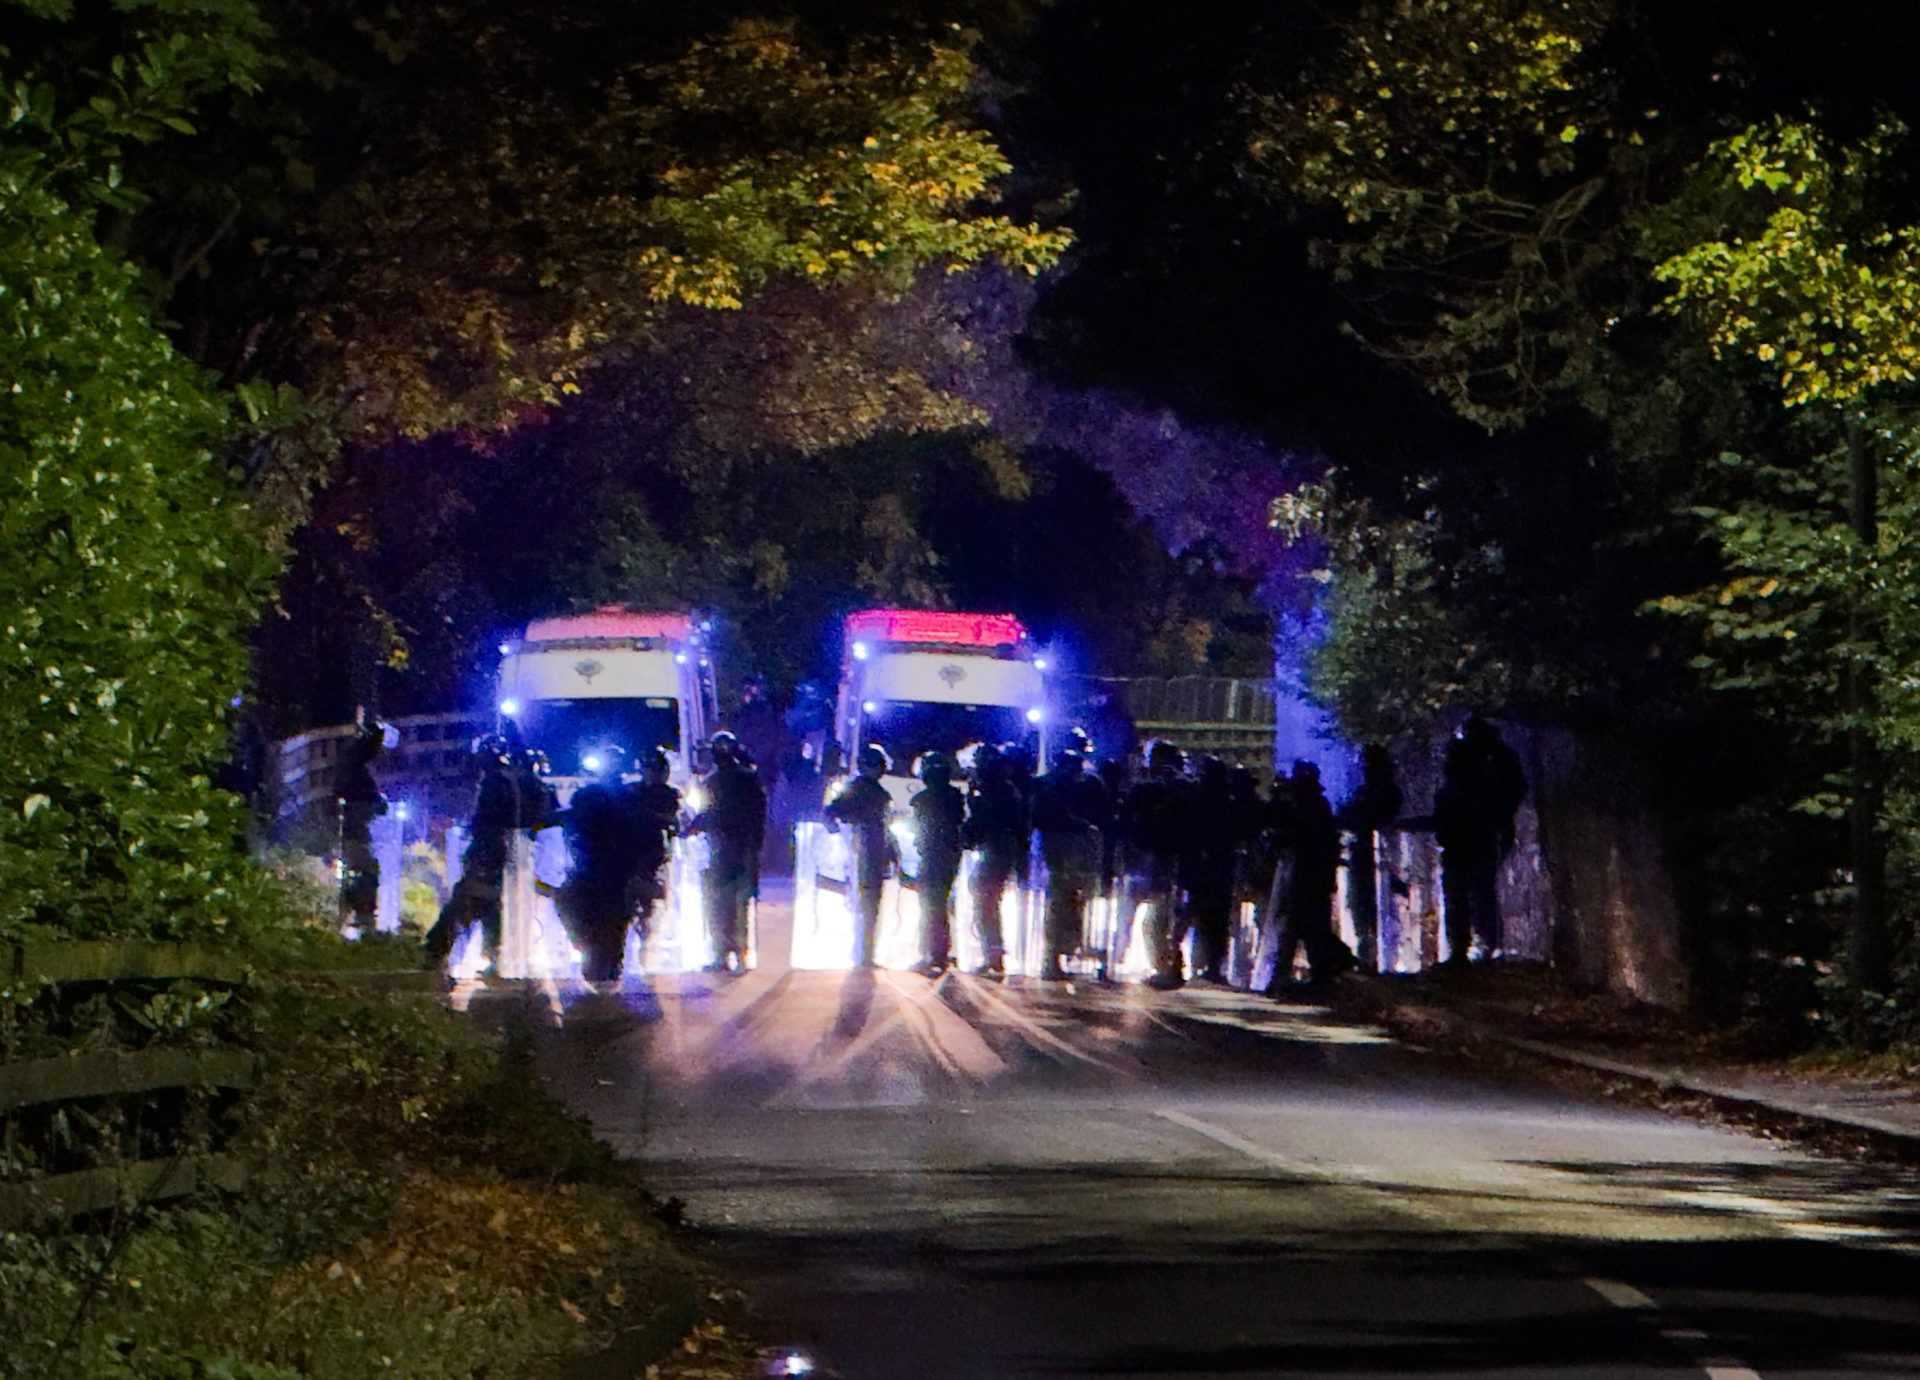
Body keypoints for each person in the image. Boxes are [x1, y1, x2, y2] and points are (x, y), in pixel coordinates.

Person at [425, 732, 554, 967]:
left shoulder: (495, 782)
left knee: (468, 898)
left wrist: (479, 846)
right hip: (500, 851)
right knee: (489, 903)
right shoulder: (508, 780)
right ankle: (494, 953)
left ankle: (435, 951)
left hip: (489, 851)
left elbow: (489, 820)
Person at [1432, 717, 1527, 965]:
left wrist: (1498, 817)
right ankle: (1466, 949)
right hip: (1468, 837)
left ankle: (1483, 945)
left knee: (1477, 889)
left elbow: (1513, 792)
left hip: (1481, 835)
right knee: (1465, 892)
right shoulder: (1473, 767)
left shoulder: (1495, 762)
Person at [556, 747, 641, 982]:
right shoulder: (627, 795)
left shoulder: (617, 796)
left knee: (605, 914)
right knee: (612, 916)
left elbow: (572, 826)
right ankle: (606, 962)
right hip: (608, 868)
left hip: (606, 867)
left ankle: (606, 962)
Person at [1266, 760, 1353, 987]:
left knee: (1306, 926)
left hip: (1311, 877)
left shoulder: (1314, 809)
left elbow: (1305, 837)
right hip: (1307, 876)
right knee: (1302, 926)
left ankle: (1324, 969)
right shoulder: (1309, 808)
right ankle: (1290, 975)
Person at [689, 730, 766, 973]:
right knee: (736, 903)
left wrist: (690, 829)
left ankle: (725, 954)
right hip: (738, 850)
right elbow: (760, 816)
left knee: (723, 904)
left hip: (726, 850)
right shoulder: (747, 778)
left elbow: (708, 815)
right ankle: (735, 955)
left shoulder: (714, 781)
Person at [1031, 743, 1105, 979]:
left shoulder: (1053, 784)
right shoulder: (1054, 786)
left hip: (1065, 852)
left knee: (1066, 903)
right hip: (1062, 851)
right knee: (1063, 903)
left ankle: (1059, 954)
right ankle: (1054, 957)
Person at [1120, 740, 1190, 987]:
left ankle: (1166, 967)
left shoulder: (1152, 789)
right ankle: (1167, 965)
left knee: (1157, 918)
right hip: (1166, 857)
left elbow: (1132, 815)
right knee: (1160, 916)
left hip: (1159, 857)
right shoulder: (1184, 787)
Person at [825, 743, 894, 967]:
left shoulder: (872, 790)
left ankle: (866, 954)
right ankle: (863, 955)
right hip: (863, 851)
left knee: (869, 904)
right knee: (866, 904)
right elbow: (830, 813)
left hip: (871, 850)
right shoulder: (863, 790)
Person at [1338, 744, 1404, 973]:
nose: (1365, 769)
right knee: (1360, 907)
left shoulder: (1385, 792)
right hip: (1362, 856)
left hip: (1377, 857)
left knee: (1374, 907)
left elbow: (1358, 815)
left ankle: (1377, 958)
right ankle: (1367, 956)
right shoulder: (1366, 792)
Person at [962, 745, 1025, 978]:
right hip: (1000, 849)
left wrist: (969, 833)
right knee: (987, 902)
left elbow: (981, 818)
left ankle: (993, 956)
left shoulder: (993, 790)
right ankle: (993, 954)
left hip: (994, 849)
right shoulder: (1006, 789)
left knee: (984, 902)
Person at [1179, 756, 1239, 983]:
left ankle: (1180, 960)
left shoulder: (1202, 799)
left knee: (1198, 913)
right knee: (1211, 917)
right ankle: (1207, 964)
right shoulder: (1222, 800)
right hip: (1215, 867)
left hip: (1209, 867)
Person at [910, 750, 966, 974]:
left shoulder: (923, 799)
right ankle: (939, 952)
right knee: (939, 904)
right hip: (949, 857)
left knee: (931, 905)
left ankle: (934, 954)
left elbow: (922, 831)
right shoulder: (955, 797)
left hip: (934, 857)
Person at [624, 746, 682, 964]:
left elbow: (672, 822)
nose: (654, 774)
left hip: (654, 855)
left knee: (651, 903)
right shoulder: (632, 792)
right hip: (631, 852)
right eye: (651, 769)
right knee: (630, 900)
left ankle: (646, 946)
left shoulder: (669, 795)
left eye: (657, 769)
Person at [334, 706, 387, 932]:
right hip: (355, 827)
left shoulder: (353, 760)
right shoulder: (356, 766)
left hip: (352, 824)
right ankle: (363, 917)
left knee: (357, 869)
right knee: (365, 870)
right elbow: (361, 795)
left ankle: (345, 915)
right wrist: (377, 803)